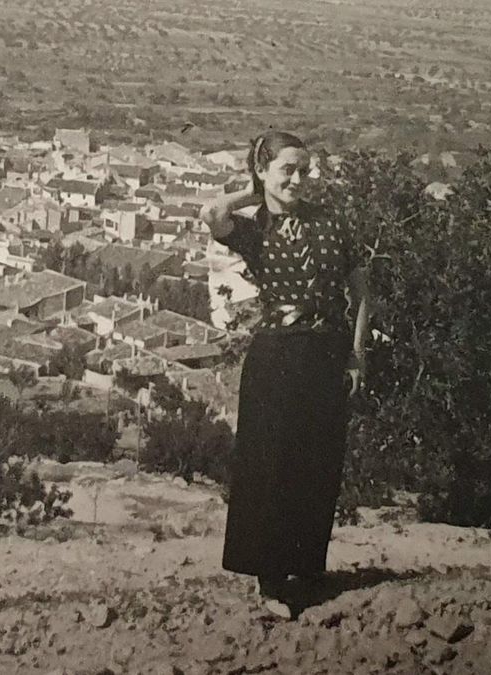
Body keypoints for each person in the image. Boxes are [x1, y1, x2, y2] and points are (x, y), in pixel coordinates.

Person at [200, 131, 370, 619]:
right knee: (269, 464)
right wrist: (253, 194)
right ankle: (270, 579)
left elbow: (361, 295)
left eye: (303, 170)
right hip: (276, 355)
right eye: (287, 170)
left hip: (325, 352)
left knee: (317, 462)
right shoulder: (254, 229)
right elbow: (212, 215)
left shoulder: (333, 224)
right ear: (263, 172)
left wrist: (356, 356)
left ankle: (306, 570)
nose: (298, 179)